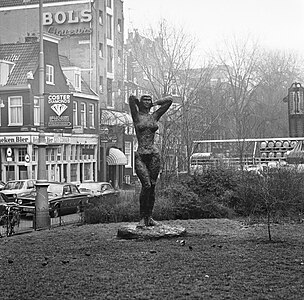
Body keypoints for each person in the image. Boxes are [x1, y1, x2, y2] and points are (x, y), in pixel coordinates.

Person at [129, 94, 173, 227]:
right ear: (141, 103)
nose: (147, 102)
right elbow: (131, 99)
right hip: (141, 155)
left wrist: (155, 103)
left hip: (154, 154)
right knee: (146, 185)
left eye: (149, 100)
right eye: (145, 100)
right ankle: (143, 217)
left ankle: (150, 217)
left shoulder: (154, 116)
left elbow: (170, 100)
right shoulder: (136, 116)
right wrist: (138, 102)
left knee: (152, 186)